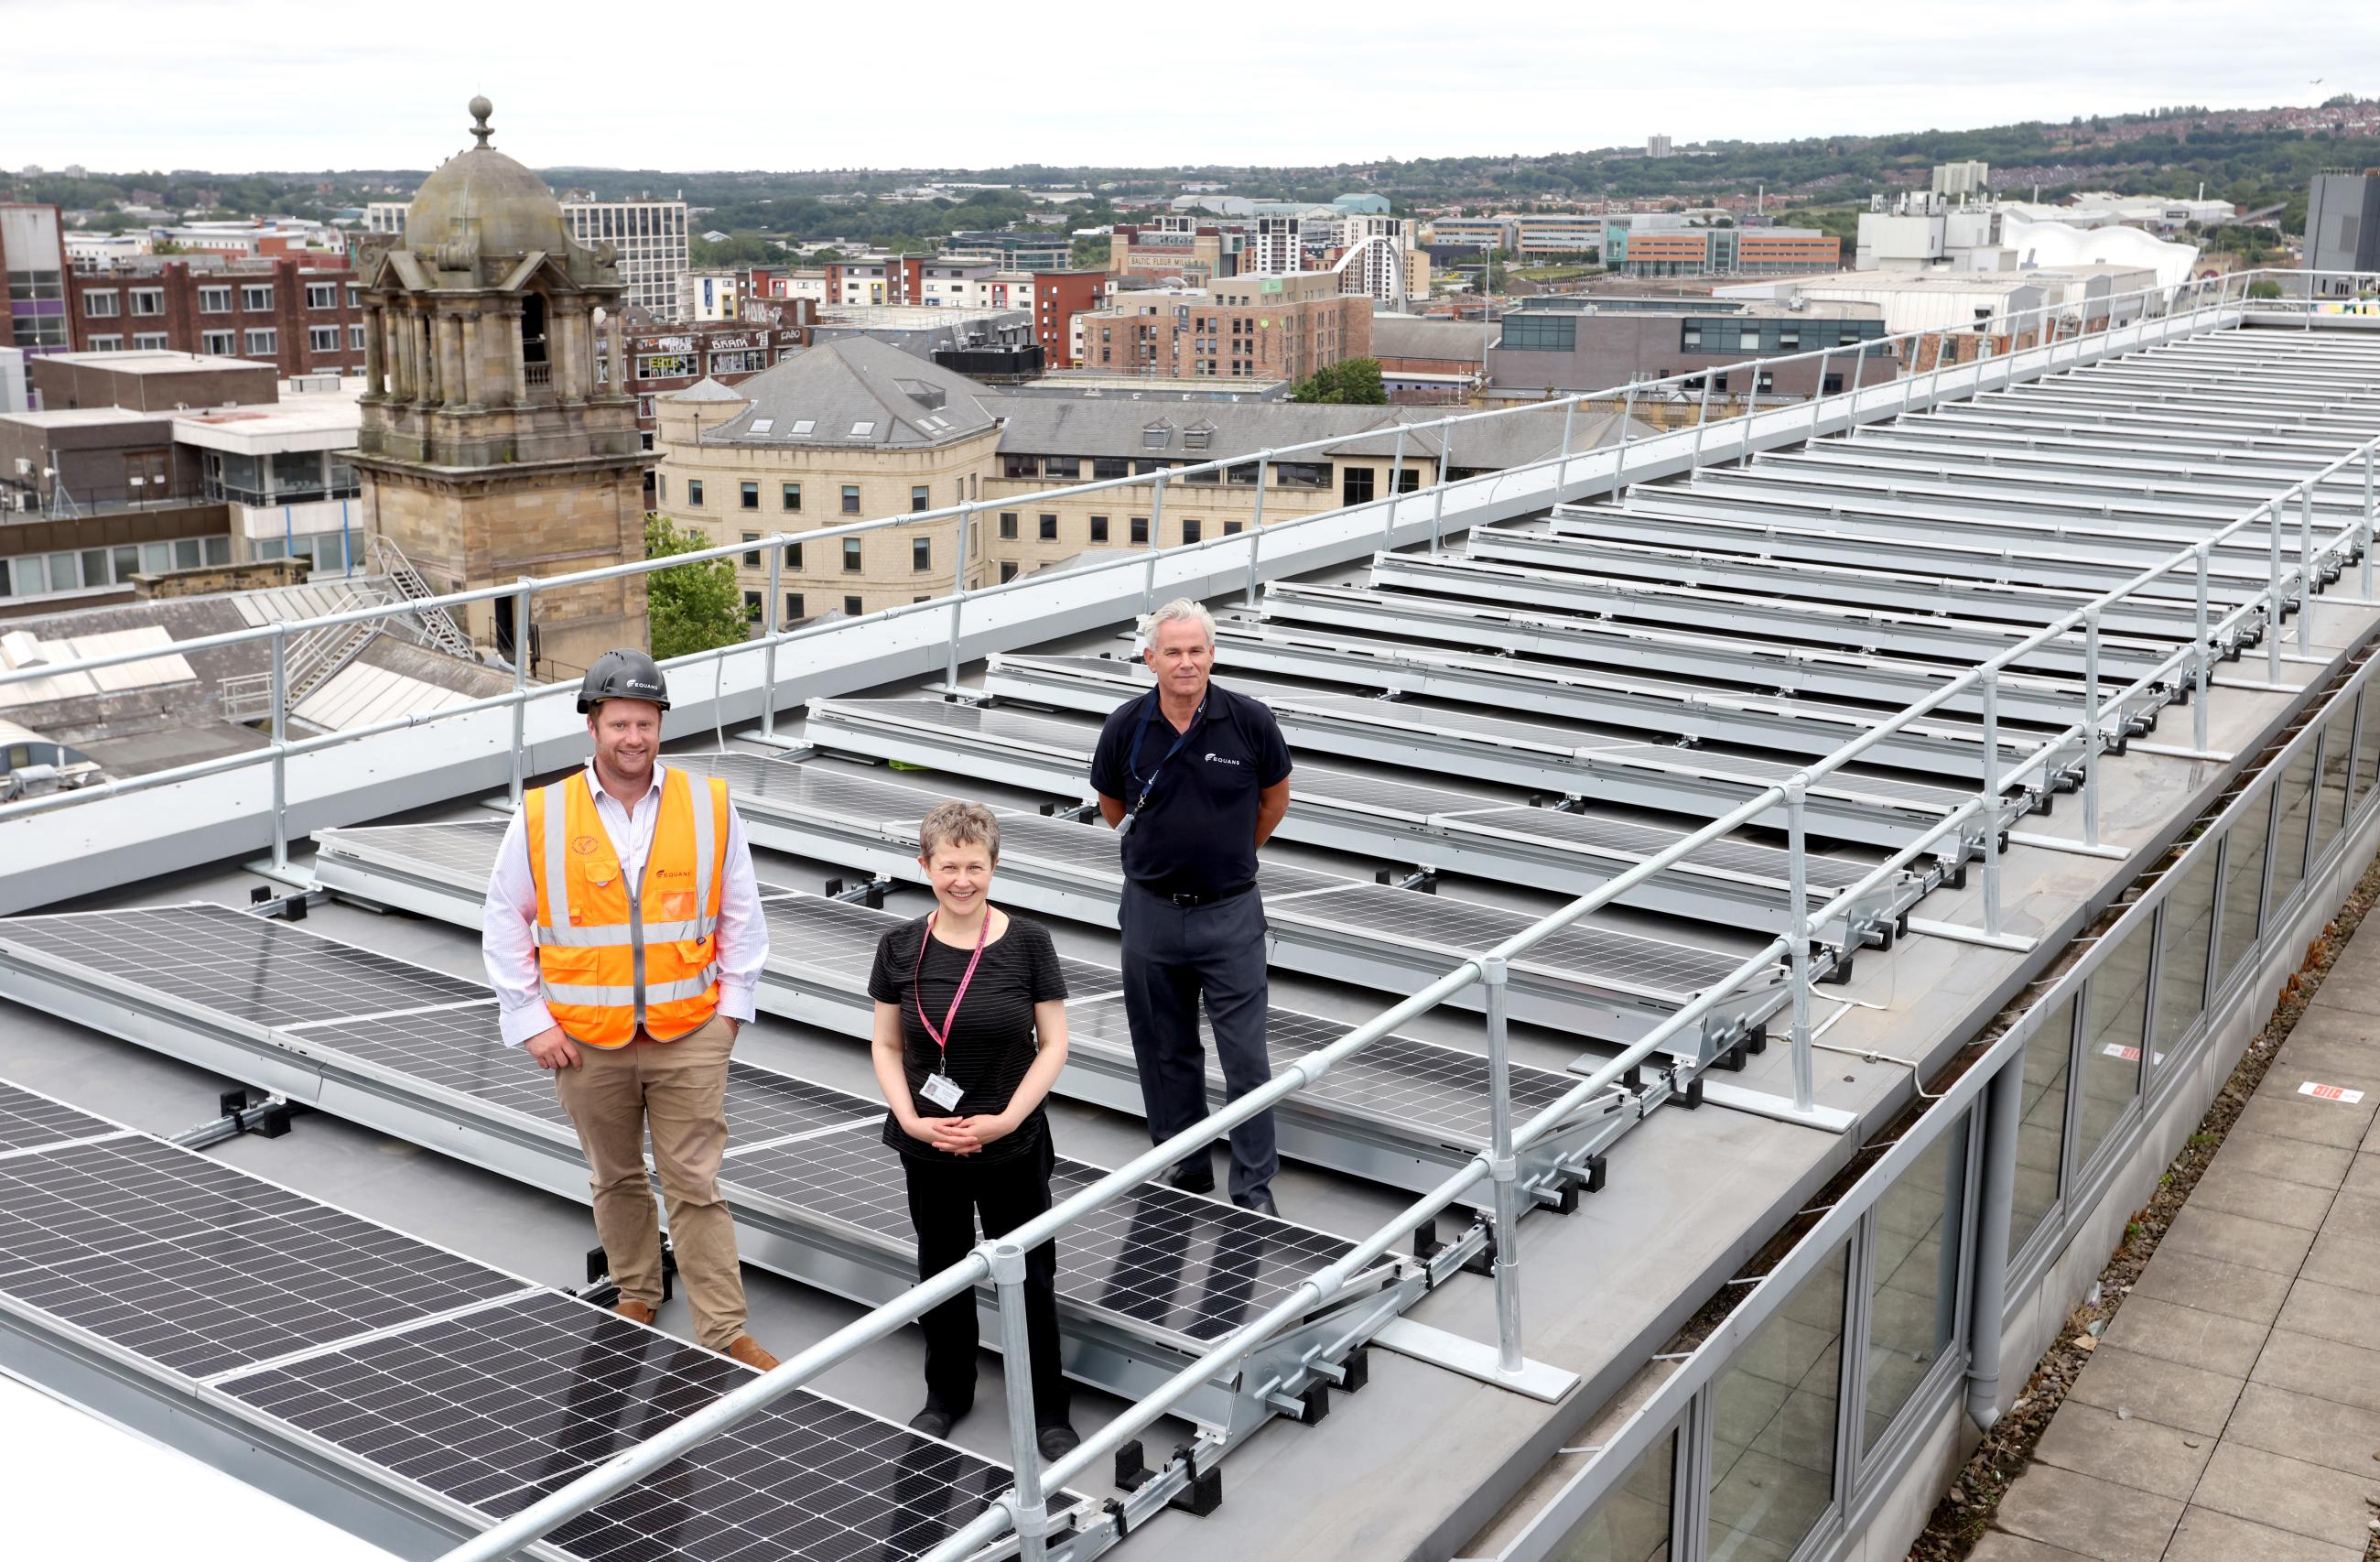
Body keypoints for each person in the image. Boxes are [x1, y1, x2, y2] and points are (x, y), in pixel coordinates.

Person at [481, 648, 778, 1372]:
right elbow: (504, 919)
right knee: (614, 1176)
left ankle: (722, 1329)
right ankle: (638, 1290)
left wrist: (730, 1015)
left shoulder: (709, 805)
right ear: (593, 726)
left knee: (695, 1184)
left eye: (645, 723)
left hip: (690, 1034)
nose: (634, 738)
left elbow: (742, 913)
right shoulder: (543, 813)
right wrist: (530, 1021)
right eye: (619, 723)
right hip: (585, 1041)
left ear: (659, 725)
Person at [870, 800, 1079, 1460]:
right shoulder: (899, 946)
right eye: (949, 865)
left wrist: (1007, 1119)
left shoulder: (1029, 944)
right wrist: (910, 1118)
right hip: (928, 1146)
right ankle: (947, 1394)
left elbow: (1053, 1044)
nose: (962, 879)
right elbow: (884, 1044)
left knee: (1031, 1273)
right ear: (924, 866)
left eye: (975, 866)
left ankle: (1049, 1405)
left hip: (1011, 1143)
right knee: (941, 1270)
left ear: (993, 868)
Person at [1090, 599, 1293, 1215]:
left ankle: (1254, 1189)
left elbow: (1274, 801)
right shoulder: (1126, 726)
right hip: (1151, 914)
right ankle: (1186, 1167)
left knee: (1245, 1059)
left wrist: (1228, 856)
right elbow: (1111, 808)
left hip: (1229, 916)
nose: (1186, 662)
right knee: (1163, 1050)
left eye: (1196, 650)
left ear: (1212, 654)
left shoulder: (1249, 721)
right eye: (1172, 651)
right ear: (1150, 658)